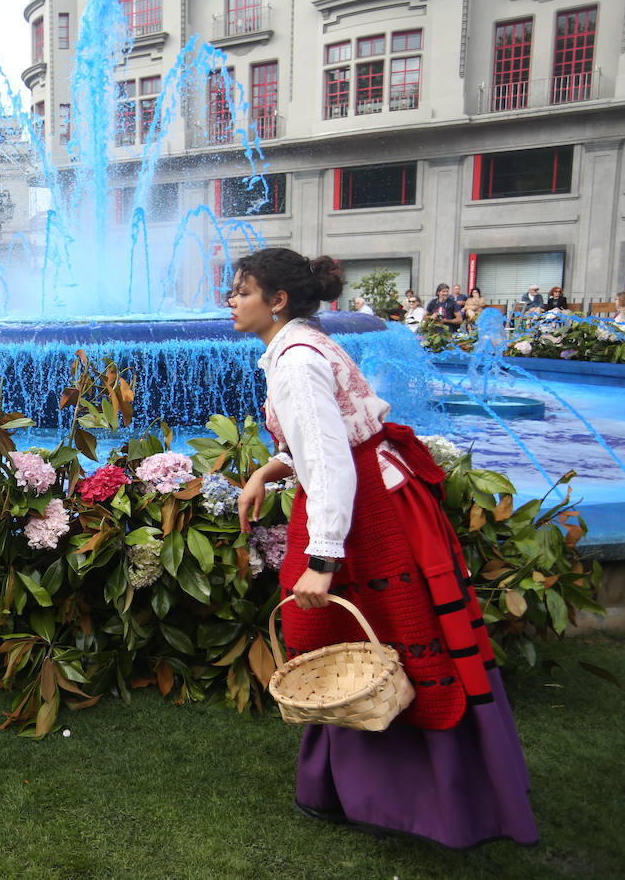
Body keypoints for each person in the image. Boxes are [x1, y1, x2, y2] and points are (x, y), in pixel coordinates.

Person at [230, 248, 537, 849]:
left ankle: (410, 797)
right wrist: (272, 467)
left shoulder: (293, 363)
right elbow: (338, 433)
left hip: (371, 515)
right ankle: (398, 787)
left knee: (367, 638)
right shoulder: (306, 344)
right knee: (397, 636)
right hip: (386, 500)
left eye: (242, 291)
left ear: (279, 300)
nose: (231, 301)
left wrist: (321, 562)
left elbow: (333, 464)